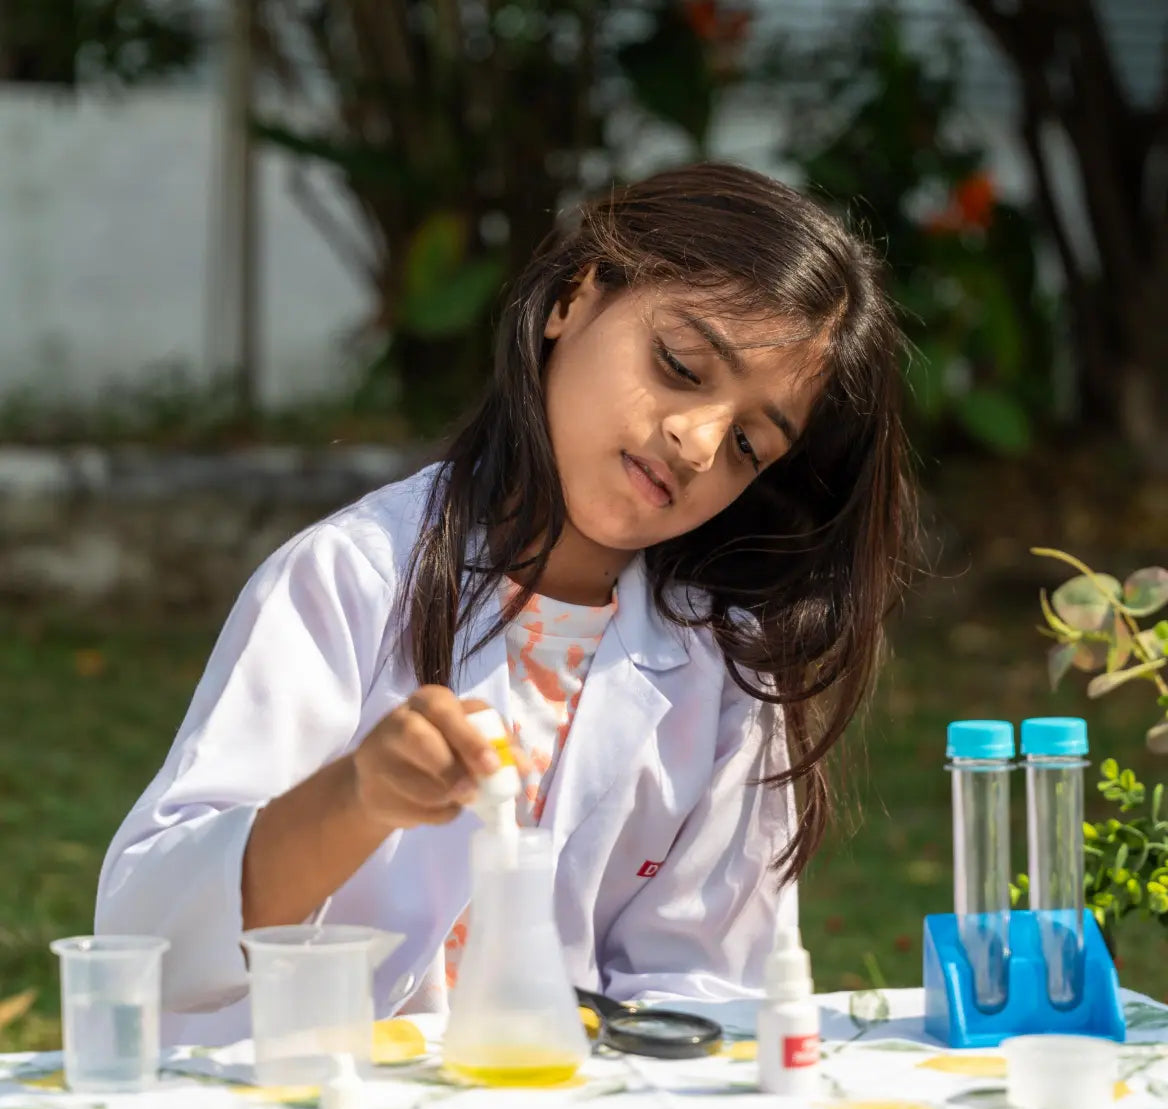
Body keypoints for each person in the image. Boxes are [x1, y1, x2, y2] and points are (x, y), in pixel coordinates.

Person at [96, 162, 915, 1045]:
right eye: (680, 365)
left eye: (750, 444)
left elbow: (708, 996)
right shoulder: (352, 579)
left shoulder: (724, 675)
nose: (697, 439)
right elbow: (146, 936)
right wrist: (357, 798)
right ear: (574, 297)